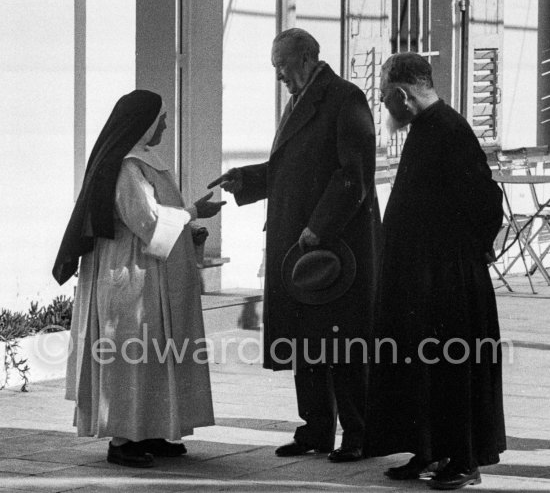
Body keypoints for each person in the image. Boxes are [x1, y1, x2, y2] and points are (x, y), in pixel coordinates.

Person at [214, 28, 381, 462]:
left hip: (333, 249)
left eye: (281, 67)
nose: (279, 78)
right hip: (300, 246)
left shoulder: (345, 99)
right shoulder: (301, 99)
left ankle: (359, 434)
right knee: (307, 341)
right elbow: (291, 167)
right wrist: (247, 180)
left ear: (306, 59)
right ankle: (316, 429)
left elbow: (353, 175)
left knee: (341, 343)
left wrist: (319, 227)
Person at [53, 90, 225, 467]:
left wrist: (187, 222)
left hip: (148, 271)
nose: (165, 124)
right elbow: (147, 221)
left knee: (152, 355)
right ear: (143, 124)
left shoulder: (142, 161)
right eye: (161, 118)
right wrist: (194, 211)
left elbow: (160, 218)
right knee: (129, 356)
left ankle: (150, 430)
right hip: (127, 274)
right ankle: (123, 439)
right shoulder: (126, 168)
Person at [364, 53, 506, 490]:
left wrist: (464, 255)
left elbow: (485, 200)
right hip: (420, 275)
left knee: (450, 368)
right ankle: (427, 450)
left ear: (403, 95)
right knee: (420, 365)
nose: (383, 105)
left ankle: (464, 461)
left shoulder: (447, 129)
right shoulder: (426, 128)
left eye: (385, 96)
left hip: (447, 279)